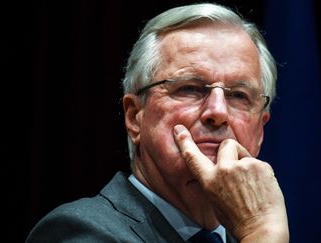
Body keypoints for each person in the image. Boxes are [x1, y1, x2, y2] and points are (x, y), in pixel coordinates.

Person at [26, 3, 289, 243]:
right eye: (190, 88)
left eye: (238, 95)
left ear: (260, 129)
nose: (218, 111)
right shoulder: (81, 231)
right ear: (134, 117)